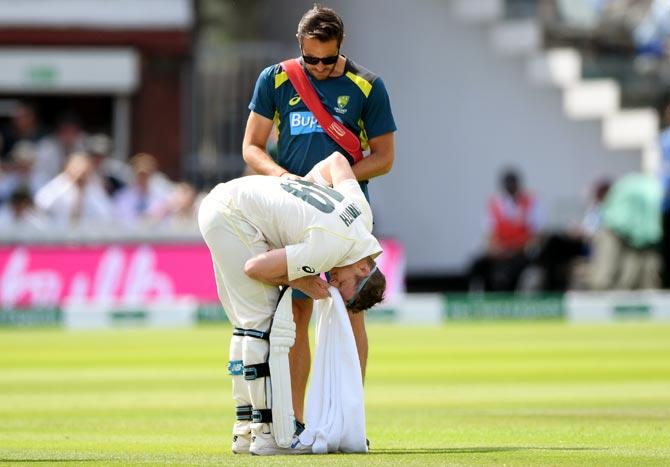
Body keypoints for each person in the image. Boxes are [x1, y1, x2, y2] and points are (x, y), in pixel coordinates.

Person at [241, 4, 396, 427]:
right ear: (300, 48)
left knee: (352, 311)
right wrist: (286, 180)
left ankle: (350, 418)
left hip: (345, 213)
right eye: (313, 59)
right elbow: (252, 147)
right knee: (297, 314)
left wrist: (328, 185)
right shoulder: (276, 79)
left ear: (341, 47)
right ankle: (295, 420)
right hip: (292, 216)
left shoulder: (367, 86)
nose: (321, 67)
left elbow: (383, 158)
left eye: (329, 59)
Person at [198, 151, 386, 455]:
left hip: (226, 203)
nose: (333, 282)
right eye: (342, 284)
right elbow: (254, 268)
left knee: (246, 324)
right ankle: (269, 435)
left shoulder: (362, 215)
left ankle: (245, 430)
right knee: (265, 320)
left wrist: (303, 190)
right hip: (232, 216)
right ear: (364, 268)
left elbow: (336, 161)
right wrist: (302, 281)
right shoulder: (328, 249)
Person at [470, 169, 541, 291]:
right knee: (477, 265)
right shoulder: (494, 204)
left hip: (520, 252)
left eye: (513, 184)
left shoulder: (530, 203)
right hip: (500, 251)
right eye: (508, 184)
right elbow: (489, 233)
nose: (511, 187)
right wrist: (497, 249)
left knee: (510, 273)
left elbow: (537, 234)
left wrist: (516, 249)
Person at [588, 172, 663, 290]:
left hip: (634, 238)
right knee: (640, 277)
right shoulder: (634, 188)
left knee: (620, 277)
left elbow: (617, 222)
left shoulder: (618, 195)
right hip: (646, 238)